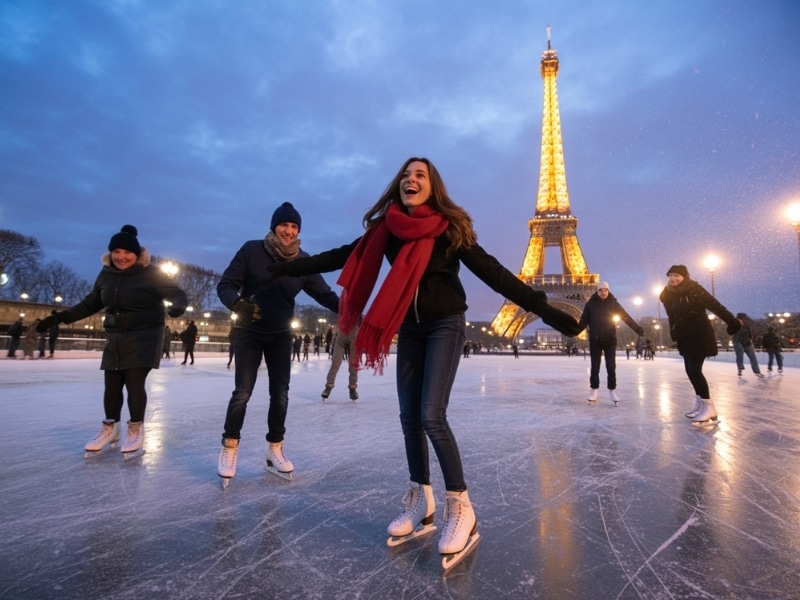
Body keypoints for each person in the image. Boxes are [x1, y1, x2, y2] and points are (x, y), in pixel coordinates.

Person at [268, 157, 580, 566]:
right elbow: (344, 256)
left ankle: (461, 507)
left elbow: (495, 274)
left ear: (433, 187)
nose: (410, 180)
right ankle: (421, 498)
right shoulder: (388, 228)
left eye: (420, 175)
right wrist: (289, 265)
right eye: (405, 175)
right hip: (409, 328)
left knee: (432, 415)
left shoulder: (449, 228)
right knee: (409, 418)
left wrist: (548, 309)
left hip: (445, 325)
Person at [215, 202, 340, 486]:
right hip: (249, 331)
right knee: (242, 392)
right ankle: (230, 447)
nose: (288, 230)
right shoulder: (251, 250)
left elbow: (326, 295)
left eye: (294, 226)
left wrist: (355, 311)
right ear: (274, 227)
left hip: (281, 334)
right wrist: (237, 305)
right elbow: (225, 284)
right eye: (284, 225)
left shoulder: (302, 261)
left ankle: (274, 448)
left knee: (280, 394)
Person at [36, 225, 187, 457]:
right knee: (112, 383)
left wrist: (178, 305)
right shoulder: (106, 274)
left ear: (136, 255)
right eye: (116, 251)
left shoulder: (151, 273)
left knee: (134, 381)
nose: (121, 257)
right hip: (116, 335)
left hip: (145, 335)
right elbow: (90, 304)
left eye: (127, 252)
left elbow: (177, 293)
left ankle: (136, 429)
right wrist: (56, 319)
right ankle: (111, 429)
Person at [659, 265, 740, 426]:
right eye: (671, 275)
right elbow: (672, 316)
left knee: (695, 371)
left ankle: (709, 407)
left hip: (699, 334)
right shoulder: (670, 294)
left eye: (677, 275)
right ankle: (700, 404)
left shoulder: (694, 289)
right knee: (690, 371)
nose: (673, 278)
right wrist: (674, 332)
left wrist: (732, 321)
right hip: (684, 337)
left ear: (684, 276)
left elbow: (714, 305)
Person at [576, 282, 644, 404]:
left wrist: (637, 328)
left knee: (611, 366)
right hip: (595, 340)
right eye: (600, 290)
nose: (603, 292)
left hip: (609, 339)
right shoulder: (590, 304)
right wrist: (572, 330)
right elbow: (583, 321)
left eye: (605, 290)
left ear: (608, 291)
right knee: (595, 366)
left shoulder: (614, 303)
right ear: (597, 292)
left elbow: (625, 316)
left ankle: (612, 390)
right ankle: (593, 390)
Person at [321, 323, 360, 401]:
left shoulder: (359, 313)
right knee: (335, 363)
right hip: (341, 339)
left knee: (353, 365)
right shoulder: (343, 311)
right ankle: (329, 386)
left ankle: (352, 388)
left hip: (354, 339)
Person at [732, 312, 764, 379]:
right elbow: (731, 332)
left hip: (747, 341)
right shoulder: (734, 324)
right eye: (743, 318)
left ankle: (757, 371)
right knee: (740, 356)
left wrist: (750, 339)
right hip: (738, 341)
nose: (744, 320)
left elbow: (749, 333)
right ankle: (740, 369)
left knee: (753, 357)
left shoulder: (746, 325)